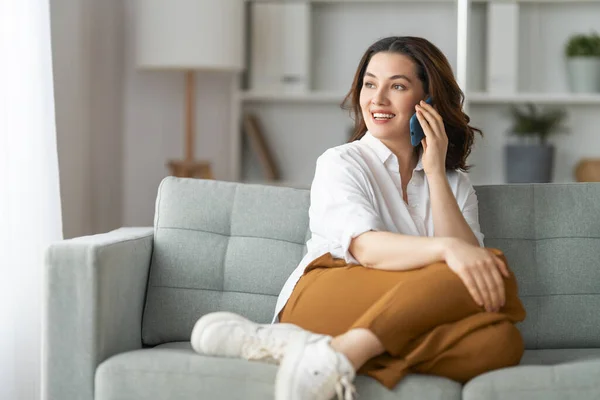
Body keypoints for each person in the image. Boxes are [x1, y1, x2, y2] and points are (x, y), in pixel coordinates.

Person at [189, 36, 526, 400]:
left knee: (501, 341)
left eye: (397, 86)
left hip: (401, 310)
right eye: (369, 84)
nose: (377, 99)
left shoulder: (454, 184)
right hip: (326, 289)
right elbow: (366, 248)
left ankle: (320, 352)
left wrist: (434, 173)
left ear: (428, 102)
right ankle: (337, 347)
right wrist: (447, 250)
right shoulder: (340, 162)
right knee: (486, 264)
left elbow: (473, 276)